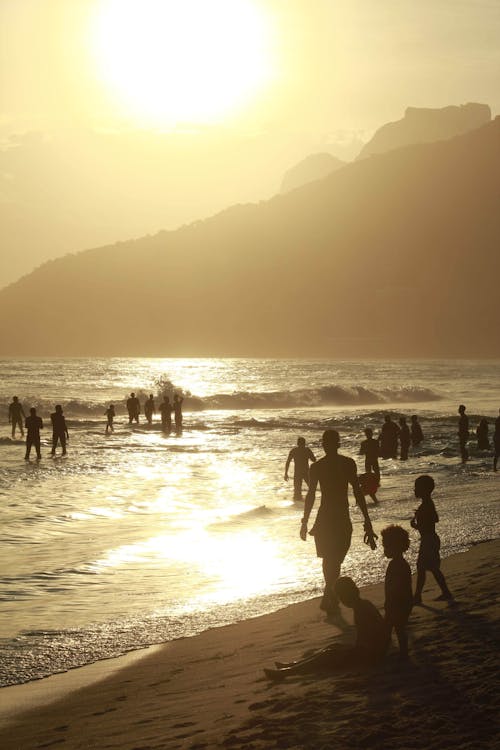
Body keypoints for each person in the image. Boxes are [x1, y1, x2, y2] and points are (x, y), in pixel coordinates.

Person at [300, 429, 377, 615]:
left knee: (333, 558)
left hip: (330, 516)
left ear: (328, 444)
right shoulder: (334, 465)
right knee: (332, 558)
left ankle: (329, 593)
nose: (328, 446)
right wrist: (304, 521)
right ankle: (330, 596)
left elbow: (357, 492)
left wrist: (367, 521)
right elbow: (356, 493)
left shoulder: (331, 465)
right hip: (335, 517)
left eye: (328, 442)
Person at [263, 576, 389, 680]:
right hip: (375, 650)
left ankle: (287, 672)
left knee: (329, 654)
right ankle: (293, 665)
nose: (340, 601)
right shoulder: (363, 604)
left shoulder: (361, 609)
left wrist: (349, 651)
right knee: (332, 647)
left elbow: (364, 642)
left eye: (340, 597)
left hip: (372, 655)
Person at [411, 475, 452, 604]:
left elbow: (432, 521)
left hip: (429, 540)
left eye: (417, 488)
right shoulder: (427, 503)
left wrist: (416, 524)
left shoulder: (426, 504)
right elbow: (435, 519)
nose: (414, 490)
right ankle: (419, 596)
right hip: (429, 539)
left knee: (428, 568)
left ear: (424, 489)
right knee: (426, 568)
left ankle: (420, 596)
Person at [381, 525, 413, 660]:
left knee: (392, 629)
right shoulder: (400, 563)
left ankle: (387, 652)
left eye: (386, 546)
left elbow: (397, 587)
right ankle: (400, 652)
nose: (384, 550)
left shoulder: (398, 565)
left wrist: (390, 603)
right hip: (401, 603)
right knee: (397, 629)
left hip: (398, 603)